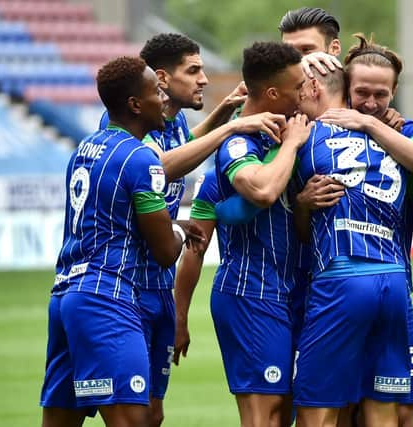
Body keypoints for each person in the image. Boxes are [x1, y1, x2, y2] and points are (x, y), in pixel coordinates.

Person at [98, 33, 287, 427]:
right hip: (121, 286)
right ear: (162, 79)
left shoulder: (173, 120)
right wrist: (233, 128)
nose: (203, 78)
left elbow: (184, 147)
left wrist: (223, 112)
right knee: (125, 412)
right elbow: (159, 166)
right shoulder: (128, 123)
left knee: (152, 412)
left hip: (155, 283)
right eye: (194, 70)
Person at [39, 56, 206, 427]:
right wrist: (180, 229)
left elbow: (116, 216)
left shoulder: (86, 148)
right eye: (156, 92)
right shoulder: (141, 159)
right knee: (137, 420)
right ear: (135, 105)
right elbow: (165, 253)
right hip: (108, 299)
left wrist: (168, 221)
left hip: (67, 295)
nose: (163, 99)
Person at [290, 51, 413, 426]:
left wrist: (299, 204)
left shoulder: (308, 134)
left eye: (381, 95)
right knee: (384, 411)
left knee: (316, 409)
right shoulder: (403, 136)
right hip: (393, 281)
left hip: (341, 279)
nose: (371, 104)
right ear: (346, 87)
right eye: (362, 93)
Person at [197, 41, 311, 427]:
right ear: (273, 94)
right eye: (298, 87)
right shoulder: (238, 143)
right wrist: (293, 144)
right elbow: (261, 191)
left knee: (292, 409)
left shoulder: (281, 134)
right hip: (252, 293)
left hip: (292, 292)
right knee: (266, 415)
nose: (305, 93)